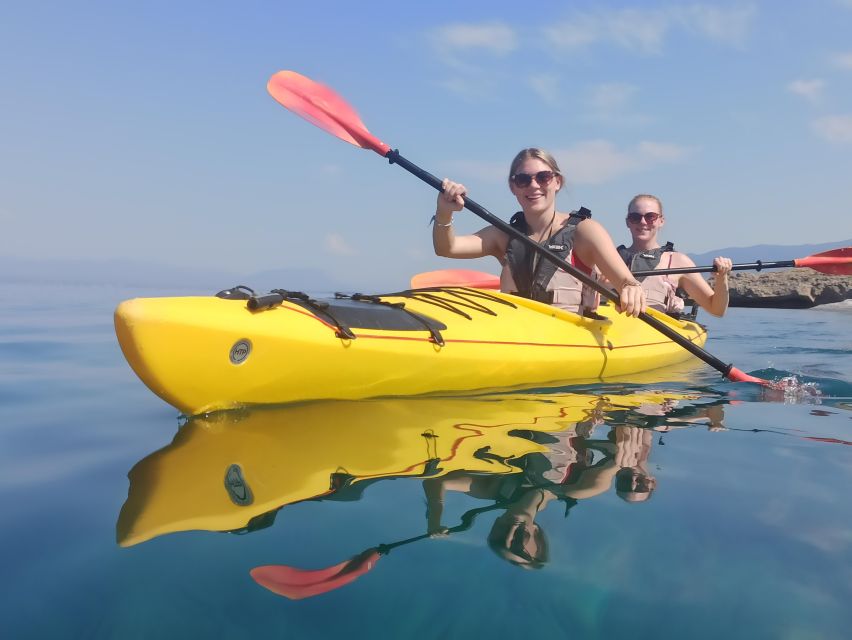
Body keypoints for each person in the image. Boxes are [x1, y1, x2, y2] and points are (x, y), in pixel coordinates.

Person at [432, 148, 646, 317]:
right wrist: (444, 211)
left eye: (543, 177)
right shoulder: (503, 236)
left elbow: (626, 281)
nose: (533, 186)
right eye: (523, 180)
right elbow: (447, 248)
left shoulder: (585, 231)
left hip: (571, 340)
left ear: (557, 182)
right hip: (517, 337)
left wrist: (631, 288)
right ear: (513, 187)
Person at [619, 194, 733, 316]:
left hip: (653, 326)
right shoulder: (611, 258)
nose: (643, 222)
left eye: (650, 216)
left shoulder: (678, 262)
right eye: (635, 217)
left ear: (661, 221)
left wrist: (722, 277)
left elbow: (717, 310)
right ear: (627, 222)